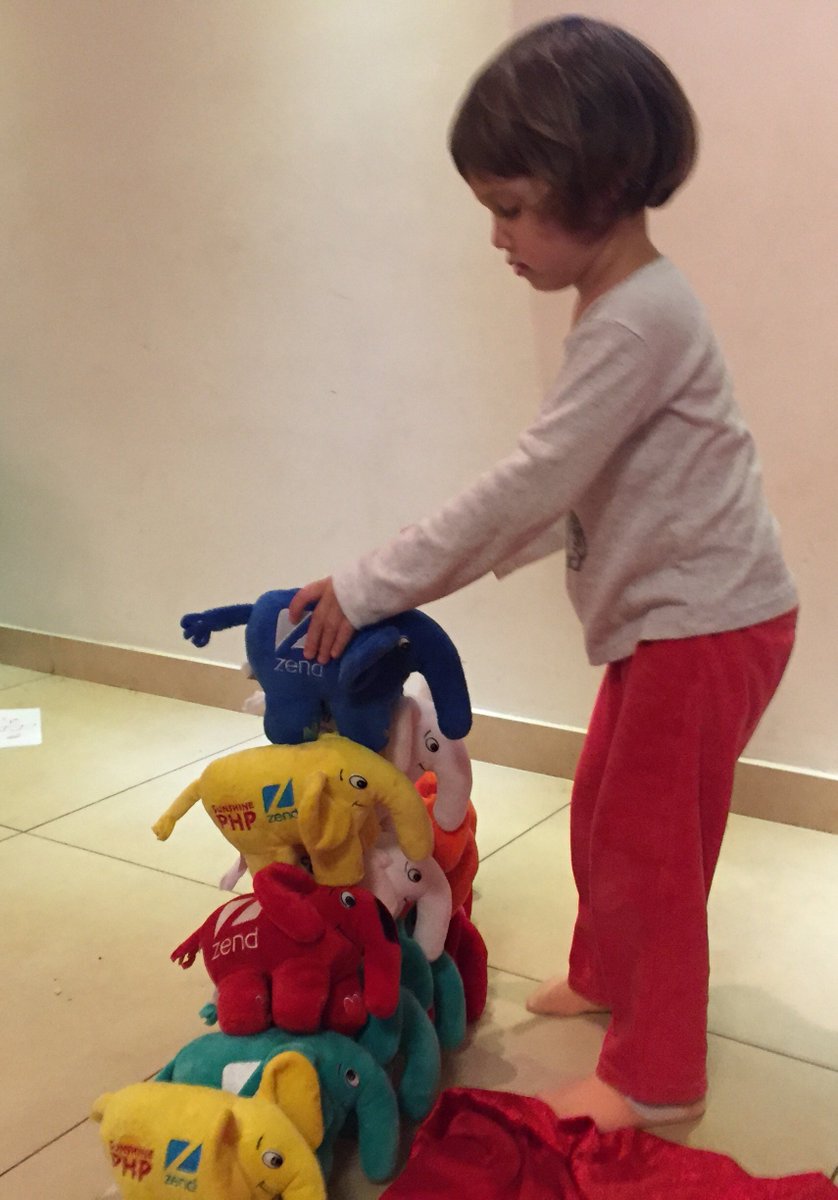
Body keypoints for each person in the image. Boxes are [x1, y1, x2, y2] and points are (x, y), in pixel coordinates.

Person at [288, 15, 798, 1132]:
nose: (497, 237)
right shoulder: (620, 309)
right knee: (606, 810)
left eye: (512, 208)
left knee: (651, 850)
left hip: (707, 624)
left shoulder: (636, 322)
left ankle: (656, 1075)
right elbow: (575, 490)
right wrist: (447, 566)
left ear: (600, 188)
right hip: (678, 620)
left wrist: (373, 584)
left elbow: (531, 483)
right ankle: (610, 975)